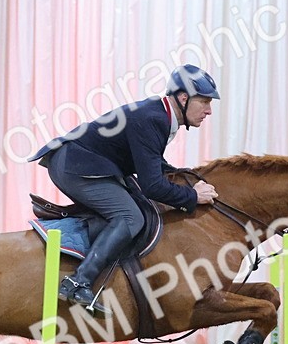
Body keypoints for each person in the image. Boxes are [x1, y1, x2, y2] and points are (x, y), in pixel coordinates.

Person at [29, 64, 220, 311]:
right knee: (130, 217)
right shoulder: (153, 118)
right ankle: (78, 282)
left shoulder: (159, 114)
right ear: (183, 98)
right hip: (75, 166)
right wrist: (192, 196)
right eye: (204, 102)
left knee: (137, 208)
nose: (208, 111)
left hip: (87, 163)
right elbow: (152, 186)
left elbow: (152, 164)